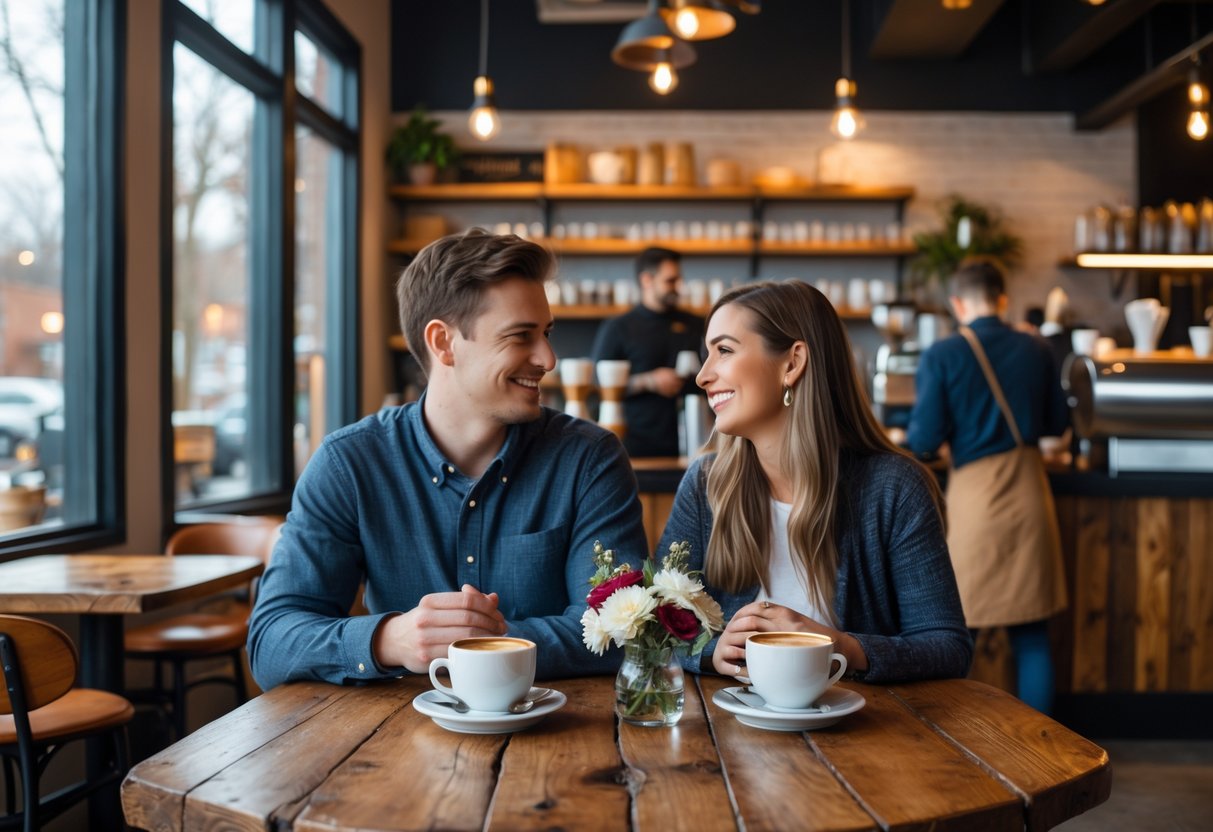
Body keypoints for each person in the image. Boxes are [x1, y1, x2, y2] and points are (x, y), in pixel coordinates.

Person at [248, 229, 648, 689]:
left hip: (561, 735)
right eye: (521, 336)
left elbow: (621, 631)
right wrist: (389, 640)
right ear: (443, 343)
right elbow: (271, 643)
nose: (548, 358)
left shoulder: (588, 459)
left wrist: (475, 646)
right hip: (390, 744)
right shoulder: (350, 463)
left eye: (546, 334)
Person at [658, 280, 972, 683]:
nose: (702, 376)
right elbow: (656, 624)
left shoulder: (893, 488)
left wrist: (843, 647)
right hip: (727, 732)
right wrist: (709, 650)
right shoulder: (705, 484)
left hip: (868, 736)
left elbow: (948, 647)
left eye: (724, 350)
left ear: (792, 363)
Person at [907, 259, 1069, 713]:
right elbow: (1059, 421)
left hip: (974, 502)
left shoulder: (942, 354)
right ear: (1003, 299)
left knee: (958, 632)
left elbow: (923, 440)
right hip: (1030, 493)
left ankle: (954, 743)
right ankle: (1041, 748)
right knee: (1032, 634)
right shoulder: (1037, 349)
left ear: (957, 303)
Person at [590, 247, 704, 457]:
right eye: (670, 280)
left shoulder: (696, 325)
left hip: (693, 442)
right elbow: (598, 383)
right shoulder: (618, 328)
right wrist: (649, 381)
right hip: (634, 444)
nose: (678, 287)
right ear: (646, 280)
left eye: (679, 280)